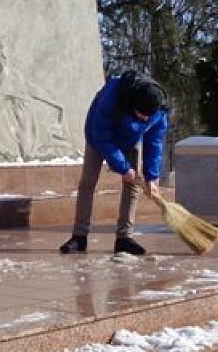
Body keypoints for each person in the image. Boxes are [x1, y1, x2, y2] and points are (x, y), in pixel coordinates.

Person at [60, 70, 169, 256]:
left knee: (133, 185)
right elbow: (102, 136)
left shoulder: (157, 110)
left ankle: (124, 238)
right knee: (88, 182)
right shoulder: (112, 97)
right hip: (98, 137)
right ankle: (79, 236)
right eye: (141, 114)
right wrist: (122, 167)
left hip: (130, 138)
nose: (145, 119)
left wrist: (152, 176)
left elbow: (155, 142)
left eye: (148, 117)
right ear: (133, 103)